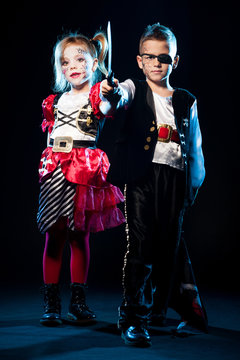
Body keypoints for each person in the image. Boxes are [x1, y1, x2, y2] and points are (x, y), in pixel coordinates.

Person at [99, 23, 207, 346]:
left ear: (175, 61)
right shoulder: (132, 88)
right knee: (141, 245)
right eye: (151, 57)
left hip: (174, 180)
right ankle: (133, 315)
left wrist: (192, 186)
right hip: (143, 178)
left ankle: (159, 308)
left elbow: (196, 149)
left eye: (164, 57)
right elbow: (112, 104)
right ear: (139, 60)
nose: (157, 63)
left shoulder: (186, 100)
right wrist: (110, 94)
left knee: (168, 246)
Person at [37, 29, 125, 326]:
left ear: (94, 61)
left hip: (84, 168)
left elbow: (109, 107)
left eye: (79, 58)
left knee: (79, 234)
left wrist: (112, 92)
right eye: (65, 62)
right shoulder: (54, 101)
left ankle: (77, 301)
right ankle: (51, 303)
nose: (72, 66)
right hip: (55, 167)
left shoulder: (97, 94)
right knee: (54, 232)